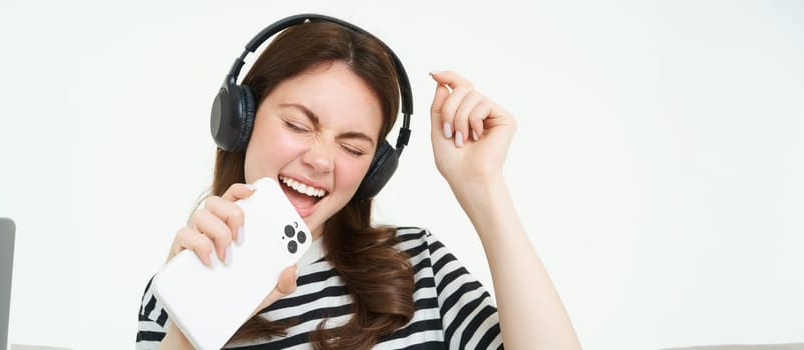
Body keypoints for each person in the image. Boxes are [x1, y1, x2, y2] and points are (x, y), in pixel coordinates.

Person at [136, 15, 580, 350]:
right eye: (297, 124)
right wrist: (195, 321)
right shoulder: (172, 295)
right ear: (240, 121)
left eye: (353, 148)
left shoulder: (417, 267)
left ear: (376, 168)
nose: (321, 160)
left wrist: (482, 186)